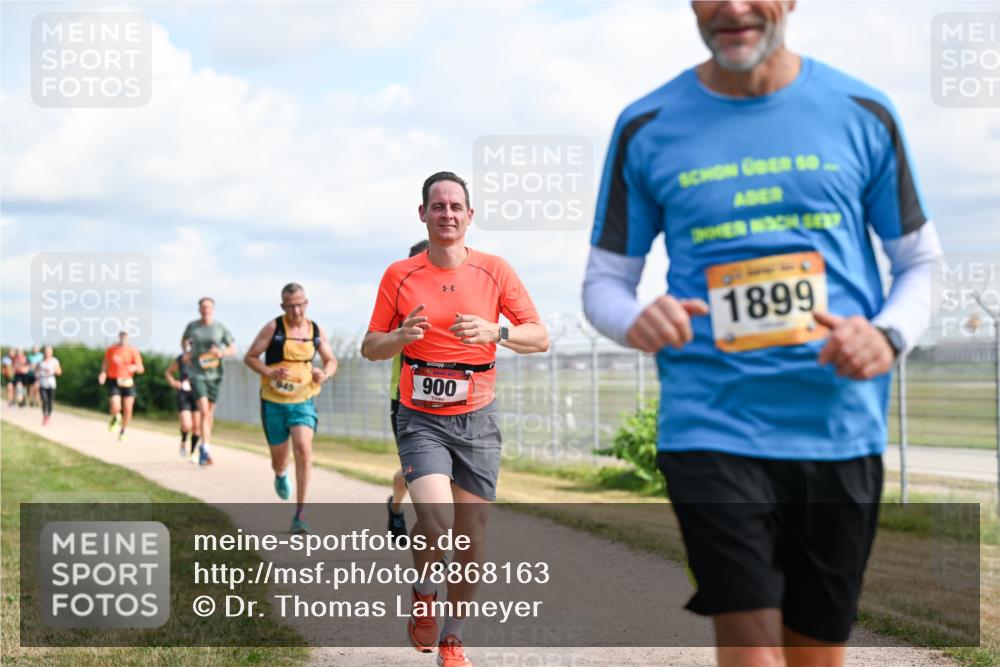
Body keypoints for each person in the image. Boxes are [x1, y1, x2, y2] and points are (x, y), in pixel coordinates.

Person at [582, 2, 942, 666]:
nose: (733, 7)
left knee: (815, 654)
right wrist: (635, 318)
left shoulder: (863, 110)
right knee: (750, 646)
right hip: (710, 423)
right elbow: (604, 280)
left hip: (837, 426)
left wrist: (887, 335)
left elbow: (918, 261)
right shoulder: (647, 125)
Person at [362, 172, 549, 667]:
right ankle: (425, 590)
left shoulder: (495, 271)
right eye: (437, 206)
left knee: (471, 534)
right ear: (422, 214)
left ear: (470, 215)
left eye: (456, 206)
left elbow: (540, 336)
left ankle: (453, 636)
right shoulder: (399, 275)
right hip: (420, 417)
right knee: (437, 519)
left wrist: (496, 330)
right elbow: (370, 347)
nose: (447, 214)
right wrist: (400, 337)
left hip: (478, 417)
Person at [244, 283, 338, 534]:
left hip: (303, 400)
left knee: (304, 449)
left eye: (300, 304)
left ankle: (301, 513)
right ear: (283, 306)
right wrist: (269, 371)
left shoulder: (315, 330)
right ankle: (280, 472)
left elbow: (331, 360)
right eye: (290, 305)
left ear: (306, 303)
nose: (296, 310)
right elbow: (250, 357)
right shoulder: (273, 328)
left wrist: (324, 374)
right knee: (280, 458)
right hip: (274, 402)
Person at [386, 238, 431, 544]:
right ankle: (398, 507)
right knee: (415, 473)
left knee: (445, 475)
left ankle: (433, 533)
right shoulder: (397, 303)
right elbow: (376, 344)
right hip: (405, 400)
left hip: (450, 403)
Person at [181, 297, 236, 466]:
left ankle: (206, 445)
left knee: (209, 414)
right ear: (199, 310)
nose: (206, 310)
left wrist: (221, 352)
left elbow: (232, 348)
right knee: (204, 411)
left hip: (215, 375)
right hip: (197, 374)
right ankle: (204, 450)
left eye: (209, 307)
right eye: (203, 307)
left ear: (213, 309)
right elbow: (184, 342)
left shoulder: (220, 328)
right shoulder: (192, 327)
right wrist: (187, 352)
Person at [98, 331, 145, 441]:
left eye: (126, 335)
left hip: (128, 381)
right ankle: (115, 417)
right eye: (122, 335)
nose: (124, 337)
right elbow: (105, 363)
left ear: (128, 337)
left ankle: (123, 431)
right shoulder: (111, 349)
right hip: (114, 380)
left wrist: (134, 368)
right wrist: (103, 374)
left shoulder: (133, 350)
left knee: (128, 409)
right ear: (119, 336)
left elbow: (141, 368)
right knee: (116, 406)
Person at [165, 348, 201, 461]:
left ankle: (193, 451)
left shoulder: (202, 358)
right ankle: (184, 441)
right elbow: (168, 372)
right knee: (187, 424)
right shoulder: (181, 359)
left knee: (197, 426)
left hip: (198, 394)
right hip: (184, 394)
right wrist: (174, 382)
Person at [36, 345, 62, 425]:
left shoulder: (55, 361)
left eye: (49, 352)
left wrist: (53, 370)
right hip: (42, 383)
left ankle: (49, 416)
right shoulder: (41, 362)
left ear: (51, 352)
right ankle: (44, 416)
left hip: (51, 383)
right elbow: (36, 372)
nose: (47, 353)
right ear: (44, 352)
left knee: (50, 402)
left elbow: (59, 372)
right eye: (46, 352)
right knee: (44, 400)